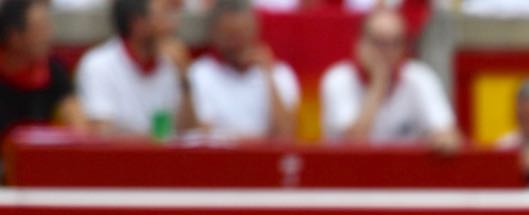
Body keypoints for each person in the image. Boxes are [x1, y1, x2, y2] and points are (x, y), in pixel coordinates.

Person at [320, 8, 460, 148]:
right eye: (379, 42)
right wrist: (378, 85)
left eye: (395, 43)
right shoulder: (337, 79)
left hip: (405, 169)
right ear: (360, 42)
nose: (387, 51)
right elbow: (353, 141)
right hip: (349, 169)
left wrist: (440, 139)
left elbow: (448, 134)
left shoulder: (420, 77)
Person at [75, 0, 190, 138]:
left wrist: (184, 80)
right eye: (163, 16)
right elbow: (102, 133)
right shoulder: (98, 65)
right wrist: (157, 141)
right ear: (137, 23)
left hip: (168, 157)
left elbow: (187, 133)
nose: (172, 25)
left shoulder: (171, 66)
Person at [187, 0, 298, 140]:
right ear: (214, 34)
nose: (237, 44)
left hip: (265, 159)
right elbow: (202, 132)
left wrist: (268, 76)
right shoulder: (199, 73)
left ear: (255, 31)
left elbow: (286, 135)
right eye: (230, 36)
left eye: (243, 35)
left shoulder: (280, 73)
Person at [0, 0, 84, 139]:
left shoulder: (54, 70)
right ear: (13, 36)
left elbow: (79, 127)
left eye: (48, 27)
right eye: (40, 29)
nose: (48, 36)